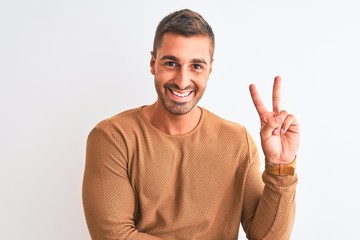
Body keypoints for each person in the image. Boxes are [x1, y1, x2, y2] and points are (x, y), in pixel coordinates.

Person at [82, 8, 300, 240]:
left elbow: (267, 237)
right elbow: (113, 235)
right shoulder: (112, 137)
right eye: (171, 63)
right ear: (153, 63)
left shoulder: (237, 142)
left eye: (196, 66)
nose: (182, 81)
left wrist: (281, 166)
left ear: (209, 71)